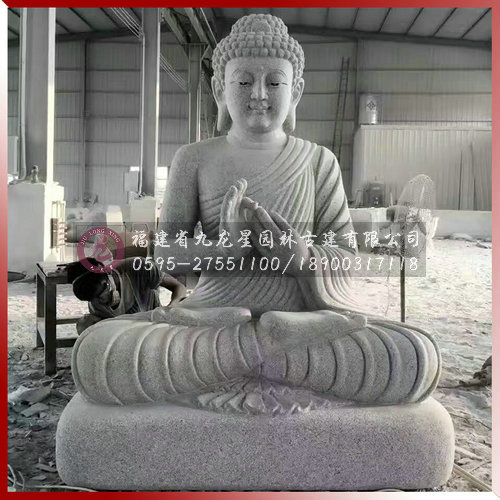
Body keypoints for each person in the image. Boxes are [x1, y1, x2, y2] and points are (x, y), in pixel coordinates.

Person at [71, 14, 441, 410]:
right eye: (244, 82)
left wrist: (302, 259)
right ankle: (270, 355)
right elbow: (167, 254)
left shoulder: (319, 162)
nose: (259, 94)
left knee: (414, 356)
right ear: (220, 88)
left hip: (302, 321)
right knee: (98, 352)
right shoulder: (194, 159)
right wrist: (224, 250)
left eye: (275, 83)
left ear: (296, 91)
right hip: (215, 318)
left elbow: (345, 257)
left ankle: (249, 356)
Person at [70, 257, 187, 334]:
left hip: (155, 326)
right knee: (84, 326)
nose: (103, 299)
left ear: (108, 273)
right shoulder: (95, 304)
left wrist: (171, 307)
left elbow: (179, 287)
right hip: (128, 337)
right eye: (97, 299)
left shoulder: (138, 267)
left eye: (105, 291)